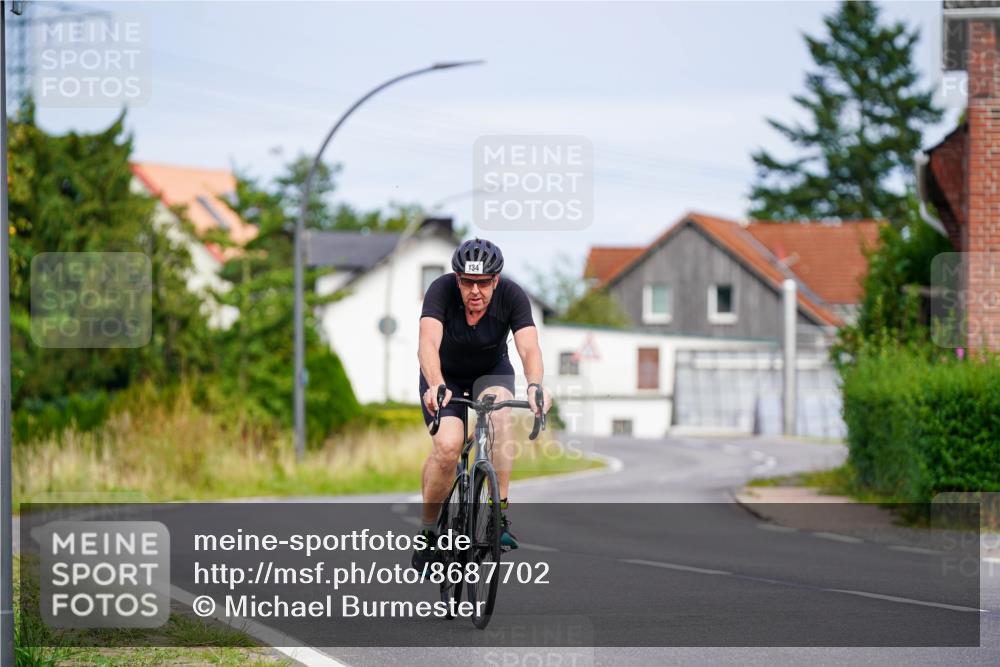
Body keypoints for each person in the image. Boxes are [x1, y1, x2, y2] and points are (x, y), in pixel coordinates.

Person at [412, 238, 551, 571]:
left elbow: (529, 348)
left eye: (483, 283)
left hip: (491, 373)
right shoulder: (440, 291)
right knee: (448, 447)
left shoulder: (513, 296)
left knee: (500, 418)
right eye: (467, 282)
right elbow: (427, 342)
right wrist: (435, 384)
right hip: (445, 377)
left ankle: (498, 516)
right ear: (457, 279)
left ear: (496, 281)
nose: (475, 291)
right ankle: (429, 531)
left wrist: (534, 386)